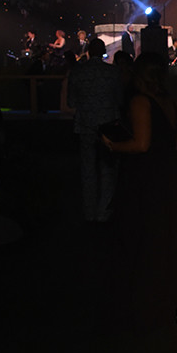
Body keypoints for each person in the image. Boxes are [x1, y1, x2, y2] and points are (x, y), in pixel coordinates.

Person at [102, 52, 177, 331]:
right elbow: (176, 145)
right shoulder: (168, 101)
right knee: (164, 238)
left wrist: (112, 145)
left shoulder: (140, 101)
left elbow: (141, 144)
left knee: (139, 237)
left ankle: (141, 306)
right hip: (167, 174)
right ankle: (164, 301)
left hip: (145, 177)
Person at [67, 38, 123, 222]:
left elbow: (71, 102)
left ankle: (89, 212)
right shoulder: (113, 72)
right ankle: (103, 212)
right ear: (104, 51)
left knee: (88, 169)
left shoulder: (77, 72)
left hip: (85, 126)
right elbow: (119, 100)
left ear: (89, 51)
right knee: (107, 169)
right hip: (108, 127)